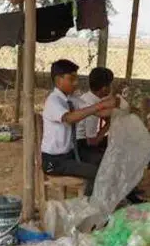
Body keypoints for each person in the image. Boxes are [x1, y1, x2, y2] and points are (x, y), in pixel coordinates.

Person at [41, 59, 117, 195]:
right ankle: (90, 206)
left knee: (101, 160)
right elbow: (69, 118)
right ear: (59, 80)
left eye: (76, 78)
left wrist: (116, 108)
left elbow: (97, 112)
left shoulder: (70, 99)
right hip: (54, 161)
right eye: (72, 79)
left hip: (69, 155)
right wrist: (99, 106)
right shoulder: (53, 101)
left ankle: (96, 198)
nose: (76, 83)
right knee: (94, 171)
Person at [75, 67, 114, 166]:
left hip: (80, 142)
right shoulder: (92, 107)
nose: (111, 88)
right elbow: (92, 142)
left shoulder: (86, 97)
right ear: (104, 88)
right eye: (110, 85)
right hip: (80, 146)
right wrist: (108, 124)